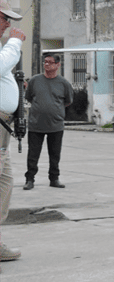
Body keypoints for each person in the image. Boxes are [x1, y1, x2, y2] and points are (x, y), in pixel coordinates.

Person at [0, 0, 26, 264]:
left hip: (3, 124)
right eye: (5, 18)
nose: (8, 24)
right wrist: (16, 42)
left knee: (4, 183)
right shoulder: (6, 48)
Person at [23, 53, 74, 190]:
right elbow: (29, 98)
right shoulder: (35, 80)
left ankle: (54, 178)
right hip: (35, 124)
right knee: (33, 154)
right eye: (45, 62)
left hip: (55, 125)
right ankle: (29, 179)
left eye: (50, 62)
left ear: (58, 65)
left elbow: (68, 101)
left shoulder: (63, 83)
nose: (47, 65)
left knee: (55, 155)